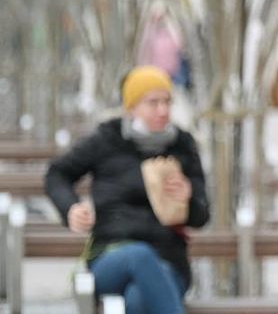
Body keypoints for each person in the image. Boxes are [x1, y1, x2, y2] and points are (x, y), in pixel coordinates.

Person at [45, 66, 210, 313]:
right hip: (110, 258)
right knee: (139, 256)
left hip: (168, 261)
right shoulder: (107, 140)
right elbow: (56, 174)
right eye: (152, 103)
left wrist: (189, 197)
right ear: (131, 107)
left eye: (167, 102)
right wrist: (71, 208)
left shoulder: (182, 146)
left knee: (137, 300)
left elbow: (202, 216)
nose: (163, 110)